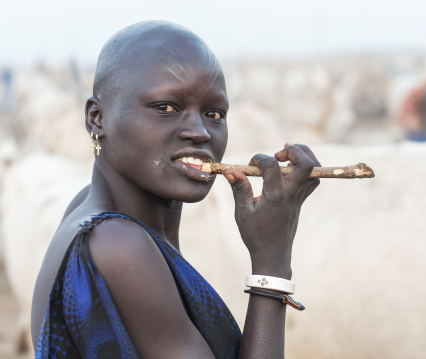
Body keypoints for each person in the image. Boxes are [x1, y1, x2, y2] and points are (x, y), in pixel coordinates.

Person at [31, 21, 320, 358]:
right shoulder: (118, 243)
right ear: (97, 118)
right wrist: (272, 259)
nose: (200, 132)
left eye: (214, 113)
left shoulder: (93, 209)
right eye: (165, 107)